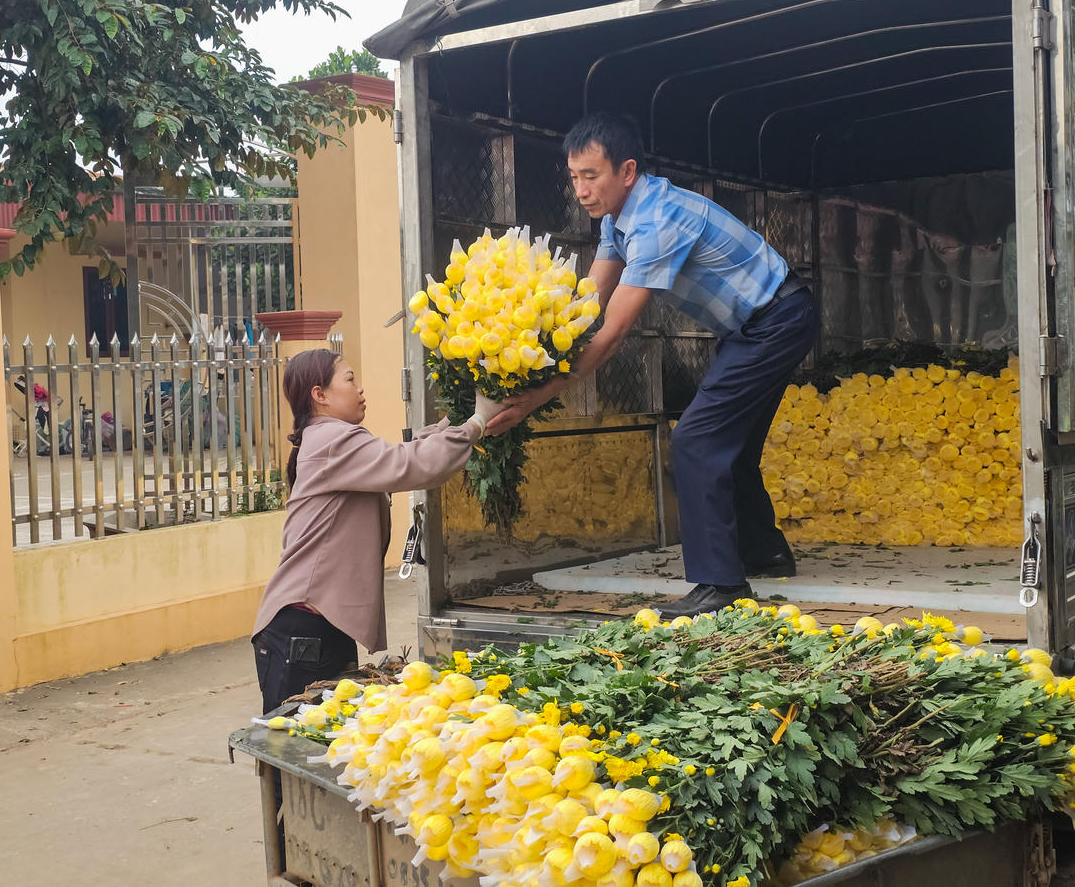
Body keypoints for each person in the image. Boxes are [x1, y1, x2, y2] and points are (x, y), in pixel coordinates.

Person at [486, 112, 819, 617]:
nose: (580, 190)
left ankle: (721, 585)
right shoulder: (619, 220)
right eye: (573, 177)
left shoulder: (658, 220)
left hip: (778, 318)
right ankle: (764, 552)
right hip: (756, 326)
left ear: (627, 171)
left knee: (698, 438)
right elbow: (588, 305)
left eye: (591, 176)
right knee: (729, 442)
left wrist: (542, 395)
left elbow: (616, 328)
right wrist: (525, 349)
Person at [253, 348, 505, 714]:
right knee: (295, 742)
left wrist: (456, 416)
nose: (360, 389)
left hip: (317, 625)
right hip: (304, 630)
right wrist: (477, 422)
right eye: (350, 379)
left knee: (325, 741)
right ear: (319, 395)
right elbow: (408, 464)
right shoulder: (331, 441)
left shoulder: (332, 439)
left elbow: (396, 454)